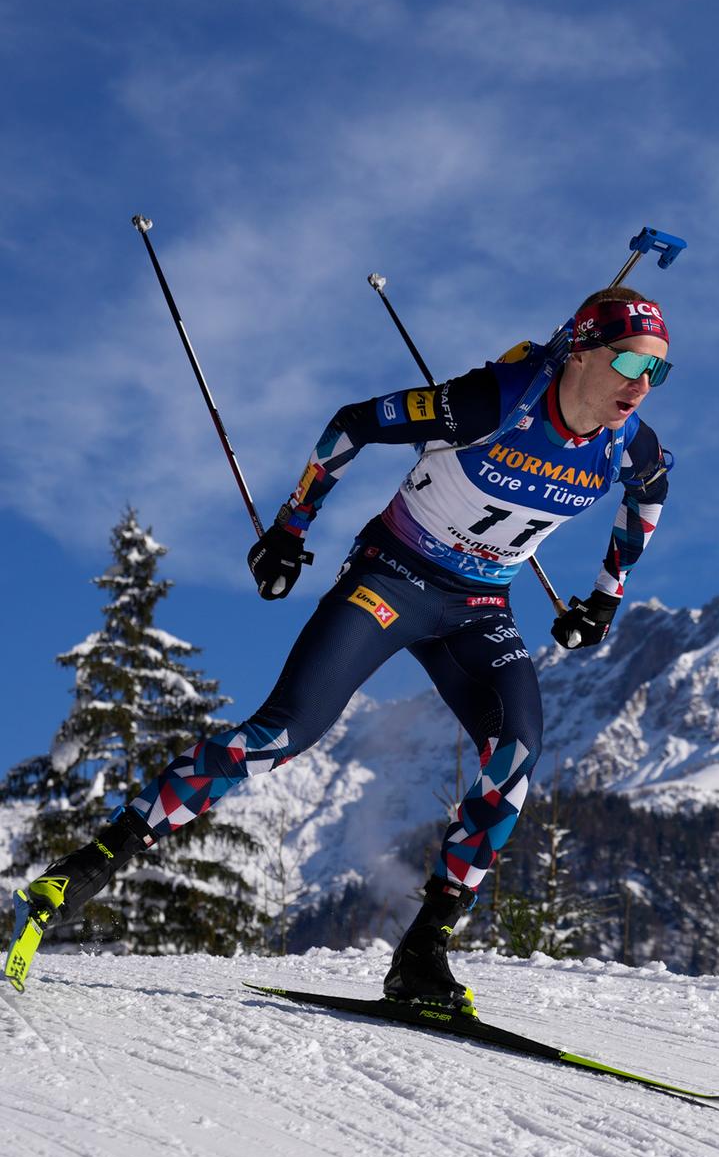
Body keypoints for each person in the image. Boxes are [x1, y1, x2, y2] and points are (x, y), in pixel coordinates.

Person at [6, 287, 673, 1004]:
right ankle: (86, 867)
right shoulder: (492, 401)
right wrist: (292, 529)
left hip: (480, 607)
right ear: (578, 351)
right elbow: (354, 424)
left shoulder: (625, 443)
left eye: (657, 371)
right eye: (629, 360)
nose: (640, 384)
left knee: (515, 758)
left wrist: (605, 599)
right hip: (392, 579)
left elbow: (650, 494)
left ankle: (422, 955)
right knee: (281, 734)